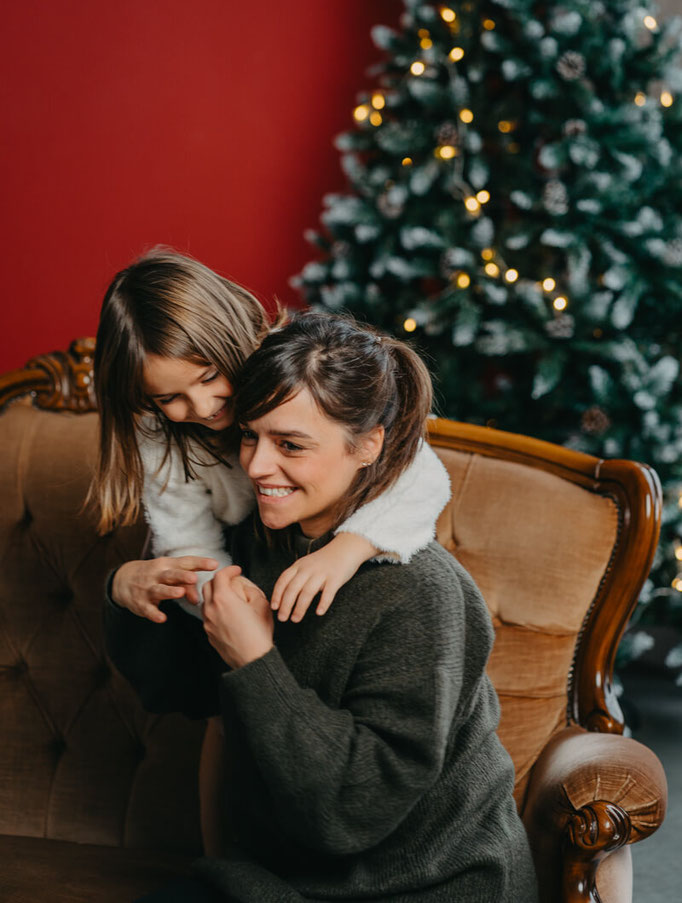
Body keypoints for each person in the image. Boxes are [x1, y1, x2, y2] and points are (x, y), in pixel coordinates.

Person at [104, 312, 539, 903]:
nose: (256, 466)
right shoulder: (260, 539)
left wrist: (254, 658)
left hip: (427, 886)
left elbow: (353, 810)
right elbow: (179, 692)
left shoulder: (420, 592)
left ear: (367, 446)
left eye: (290, 445)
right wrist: (128, 591)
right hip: (279, 879)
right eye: (251, 436)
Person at [90, 249, 450, 625]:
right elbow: (188, 544)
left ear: (233, 340)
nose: (201, 406)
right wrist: (229, 599)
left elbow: (422, 477)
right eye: (169, 398)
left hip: (343, 554)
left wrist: (347, 550)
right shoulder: (159, 440)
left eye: (209, 376)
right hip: (255, 566)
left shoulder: (291, 368)